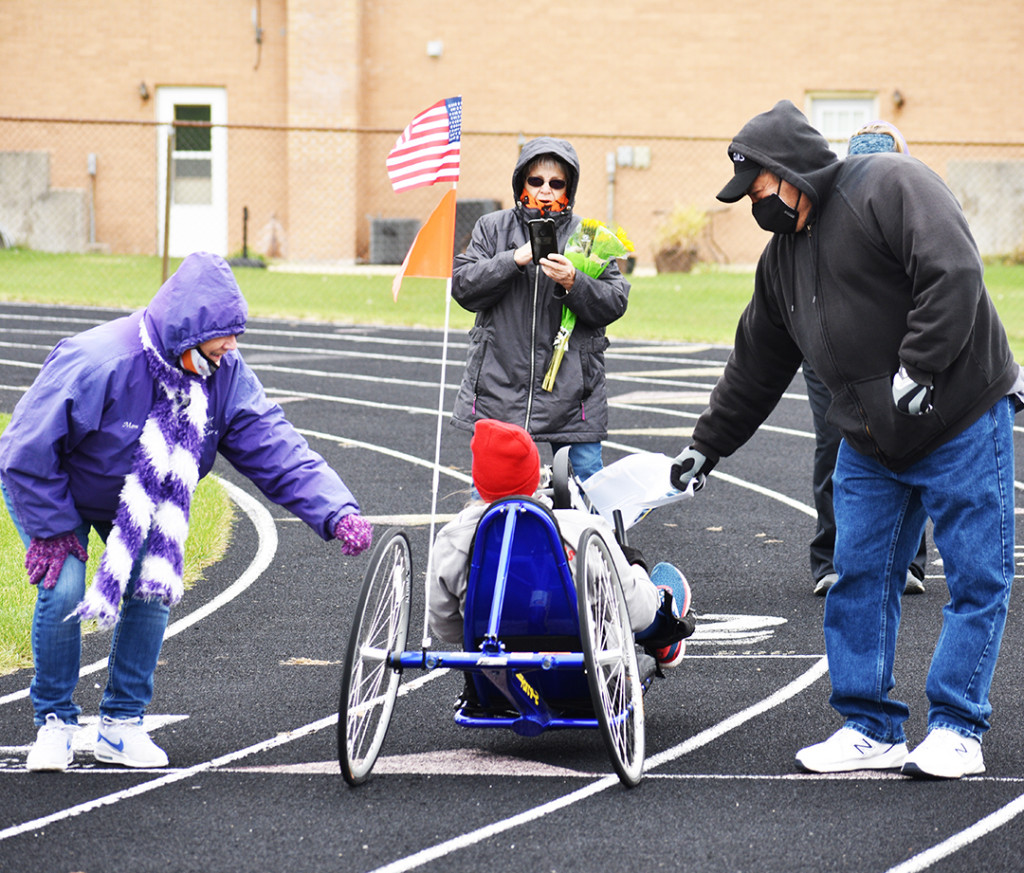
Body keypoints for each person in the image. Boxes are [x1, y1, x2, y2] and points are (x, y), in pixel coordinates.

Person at [670, 100, 1021, 779]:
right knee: (857, 577)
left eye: (759, 190)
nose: (756, 206)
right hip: (870, 440)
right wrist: (708, 445)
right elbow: (756, 362)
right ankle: (870, 726)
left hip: (958, 416)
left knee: (977, 577)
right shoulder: (781, 262)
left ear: (790, 170)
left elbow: (953, 272)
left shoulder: (890, 184)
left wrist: (920, 366)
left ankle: (957, 727)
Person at [0, 251, 374, 773]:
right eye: (223, 334)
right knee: (64, 585)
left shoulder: (224, 374)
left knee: (154, 583)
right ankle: (54, 721)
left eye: (236, 332)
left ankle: (122, 723)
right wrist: (51, 528)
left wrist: (335, 510)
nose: (232, 345)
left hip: (144, 496)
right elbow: (25, 449)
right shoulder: (99, 361)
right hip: (57, 488)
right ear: (186, 332)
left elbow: (274, 445)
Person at [427, 419, 694, 670]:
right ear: (535, 477)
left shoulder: (453, 539)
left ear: (478, 480)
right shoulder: (583, 529)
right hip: (583, 673)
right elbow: (638, 613)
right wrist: (636, 569)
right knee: (630, 581)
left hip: (494, 676)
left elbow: (446, 628)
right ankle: (665, 617)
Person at [450, 137, 630, 481]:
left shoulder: (589, 236)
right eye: (536, 181)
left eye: (556, 183)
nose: (545, 191)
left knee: (588, 485)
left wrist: (574, 281)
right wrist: (512, 260)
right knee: (491, 491)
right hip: (500, 387)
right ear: (522, 183)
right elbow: (463, 286)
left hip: (574, 391)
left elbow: (615, 301)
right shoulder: (492, 227)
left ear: (568, 189)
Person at [806, 119, 926, 596]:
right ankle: (829, 559)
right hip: (832, 351)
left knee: (910, 442)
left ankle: (909, 561)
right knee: (834, 444)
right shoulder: (826, 212)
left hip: (897, 349)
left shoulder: (916, 208)